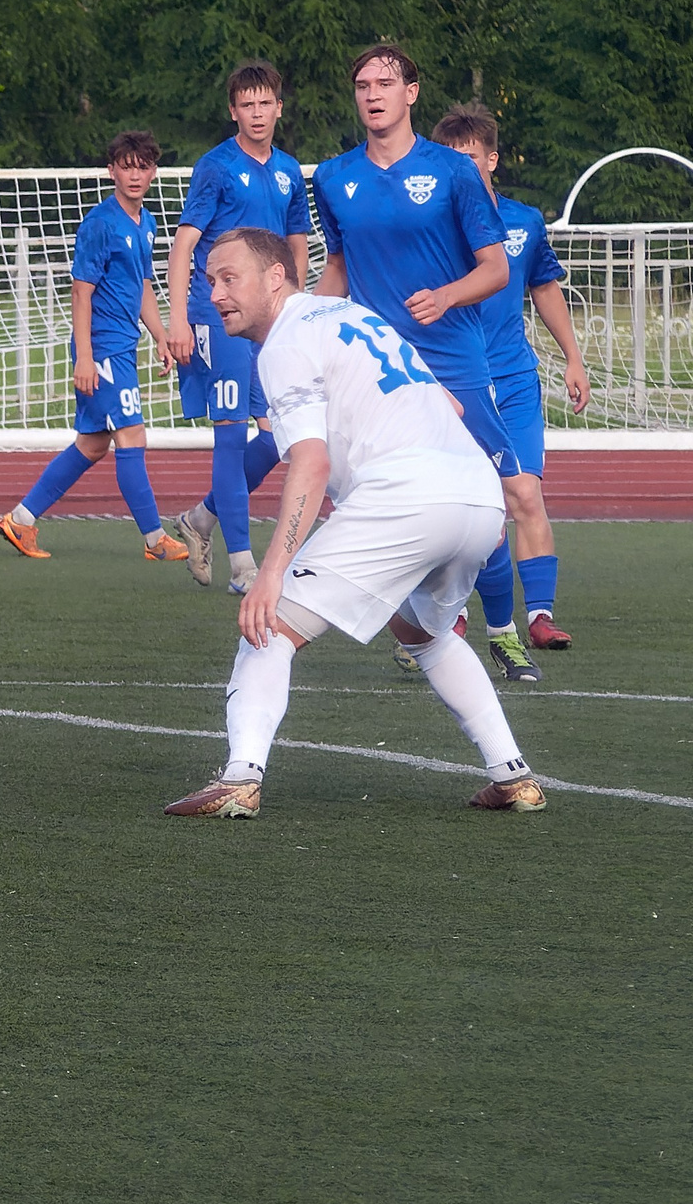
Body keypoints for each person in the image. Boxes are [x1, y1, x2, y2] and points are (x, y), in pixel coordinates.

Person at [163, 229, 546, 818]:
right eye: (210, 280)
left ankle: (240, 778)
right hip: (476, 495)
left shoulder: (285, 343)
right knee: (425, 634)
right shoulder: (351, 314)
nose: (214, 294)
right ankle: (512, 775)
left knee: (268, 626)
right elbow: (451, 405)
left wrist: (272, 572)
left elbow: (311, 464)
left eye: (229, 278)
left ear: (275, 276)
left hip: (407, 497)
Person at [309, 47, 523, 675]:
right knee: (379, 496)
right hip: (379, 368)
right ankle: (423, 624)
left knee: (493, 497)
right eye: (362, 85)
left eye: (385, 82)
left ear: (412, 93)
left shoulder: (454, 172)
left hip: (454, 359)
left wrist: (447, 296)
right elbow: (339, 267)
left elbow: (496, 268)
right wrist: (302, 325)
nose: (372, 93)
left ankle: (503, 629)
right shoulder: (333, 178)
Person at [433, 104, 591, 660]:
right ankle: (448, 614)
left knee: (524, 493)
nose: (462, 168)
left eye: (471, 158)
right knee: (459, 504)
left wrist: (573, 358)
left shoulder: (523, 222)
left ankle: (540, 617)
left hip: (515, 380)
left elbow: (544, 287)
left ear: (492, 160)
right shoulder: (431, 227)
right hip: (455, 382)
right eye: (451, 160)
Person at [0, 133, 189, 563]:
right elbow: (81, 292)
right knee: (132, 435)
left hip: (121, 346)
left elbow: (142, 285)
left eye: (143, 167)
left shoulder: (147, 222)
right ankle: (155, 539)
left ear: (153, 172)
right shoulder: (100, 223)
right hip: (102, 349)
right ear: (111, 170)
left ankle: (21, 519)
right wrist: (84, 357)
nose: (135, 175)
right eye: (127, 166)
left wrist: (160, 335)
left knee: (93, 444)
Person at [163, 62, 315, 595]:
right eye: (246, 104)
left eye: (264, 103)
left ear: (279, 107)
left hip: (268, 318)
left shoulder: (289, 171)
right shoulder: (216, 167)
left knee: (278, 436)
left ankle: (201, 518)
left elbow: (296, 246)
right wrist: (178, 318)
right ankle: (243, 565)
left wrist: (296, 306)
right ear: (233, 111)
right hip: (219, 315)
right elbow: (184, 244)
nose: (257, 113)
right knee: (230, 435)